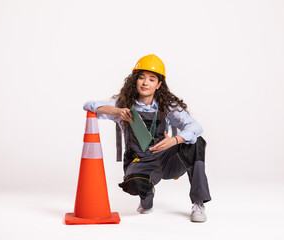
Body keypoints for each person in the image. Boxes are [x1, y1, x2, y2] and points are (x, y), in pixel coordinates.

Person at [83, 54, 211, 222]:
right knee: (135, 184)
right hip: (139, 162)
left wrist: (175, 140)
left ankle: (198, 203)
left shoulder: (167, 106)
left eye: (151, 79)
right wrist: (116, 111)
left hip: (166, 160)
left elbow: (196, 127)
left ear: (159, 85)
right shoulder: (123, 104)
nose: (145, 83)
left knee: (196, 143)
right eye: (141, 78)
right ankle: (147, 196)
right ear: (135, 80)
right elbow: (89, 105)